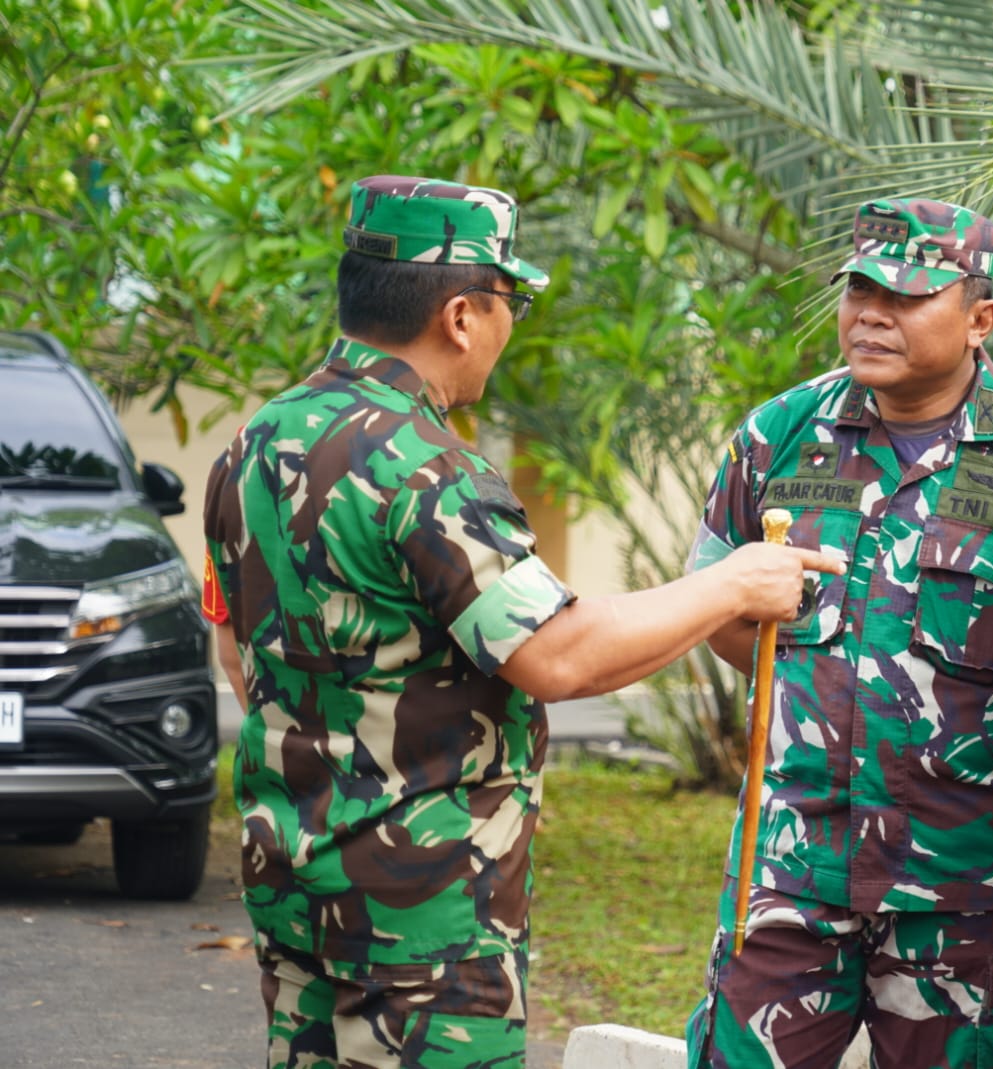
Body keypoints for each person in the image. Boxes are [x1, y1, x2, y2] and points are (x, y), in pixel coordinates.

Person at [200, 175, 842, 1069]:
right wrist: (736, 585)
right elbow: (559, 655)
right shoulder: (426, 468)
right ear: (461, 314)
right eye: (513, 301)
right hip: (423, 912)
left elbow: (238, 654)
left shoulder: (255, 444)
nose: (508, 327)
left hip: (294, 880)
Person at [682, 199, 993, 1069]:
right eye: (860, 288)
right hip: (791, 864)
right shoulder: (778, 437)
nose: (871, 312)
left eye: (906, 295)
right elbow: (713, 610)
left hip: (968, 882)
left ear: (981, 318)